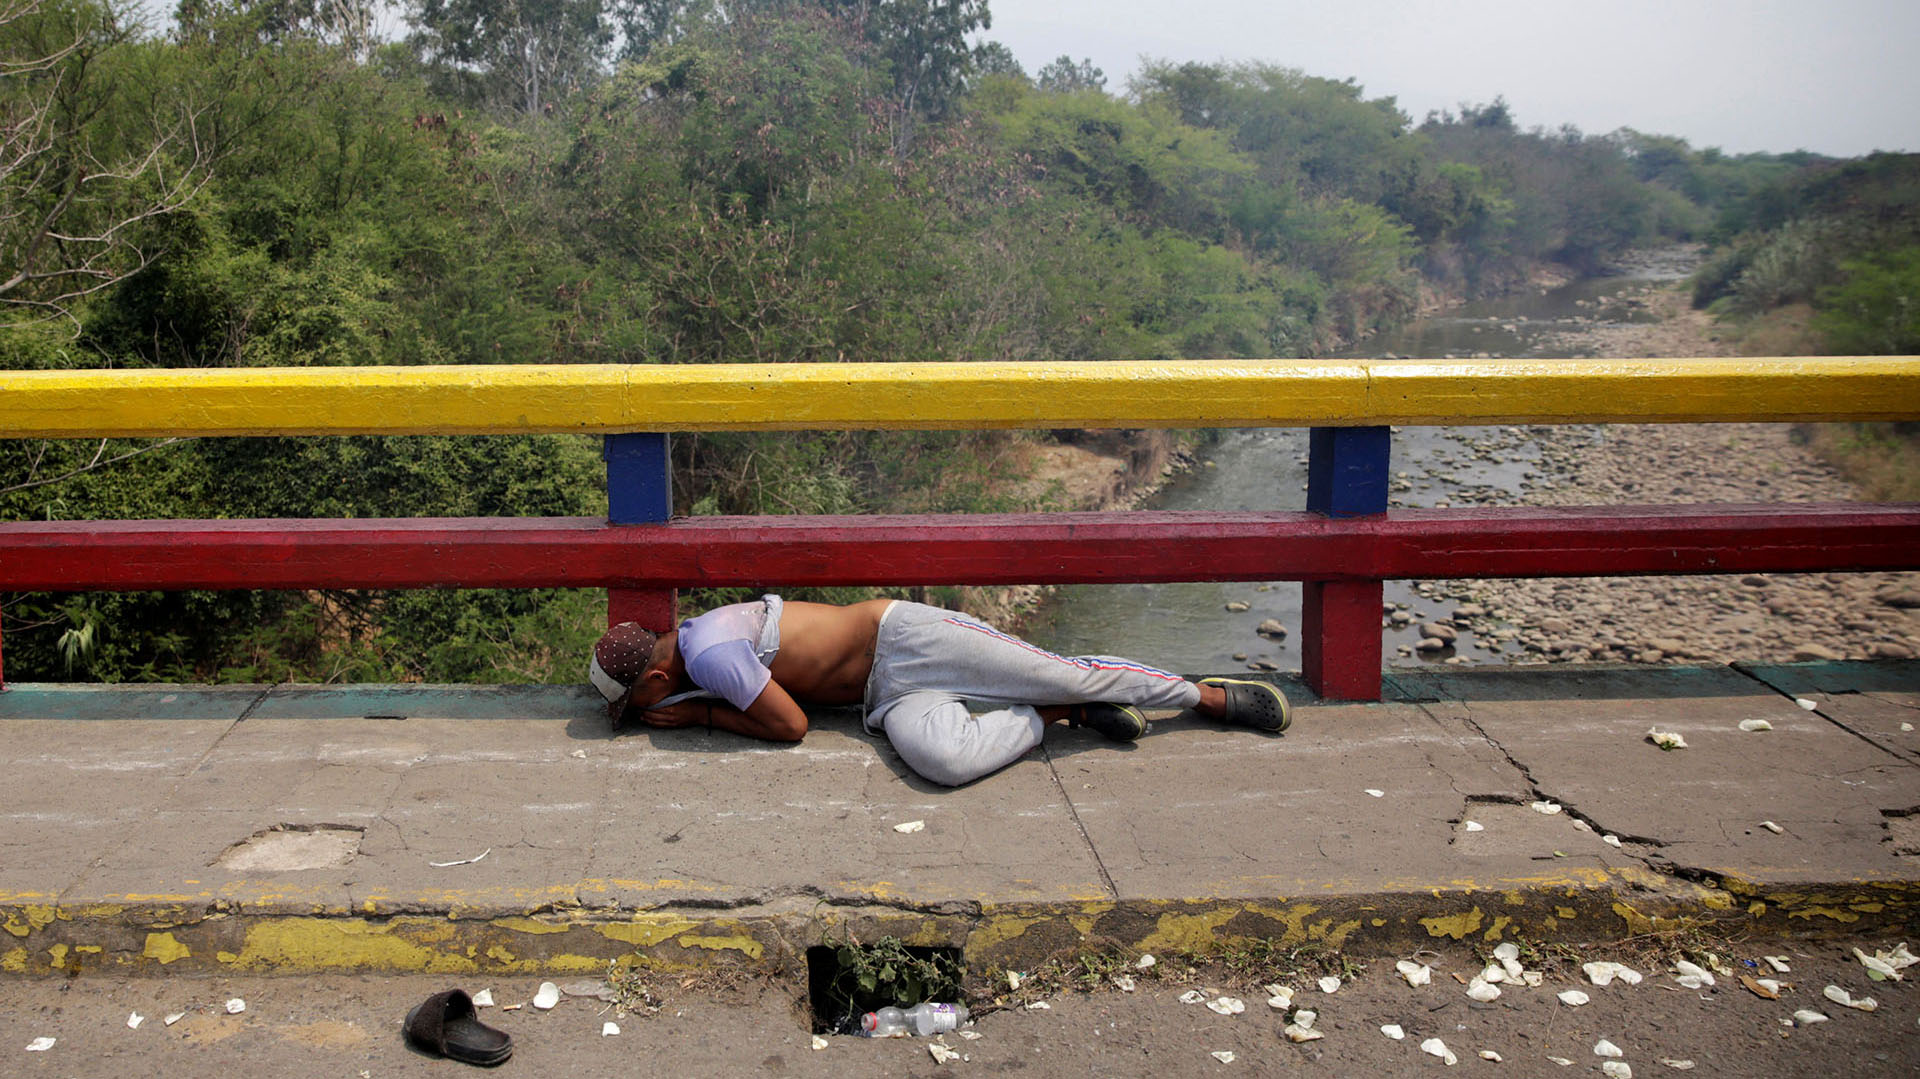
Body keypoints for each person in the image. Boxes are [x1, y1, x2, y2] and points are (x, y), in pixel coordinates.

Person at [588, 594, 1291, 787]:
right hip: (883, 696)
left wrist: (703, 718)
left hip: (905, 639)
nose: (645, 717)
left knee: (1056, 664)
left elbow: (790, 726)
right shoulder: (683, 659)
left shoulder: (708, 654)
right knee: (944, 762)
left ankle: (1208, 697)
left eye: (635, 707)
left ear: (653, 679)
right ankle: (1061, 714)